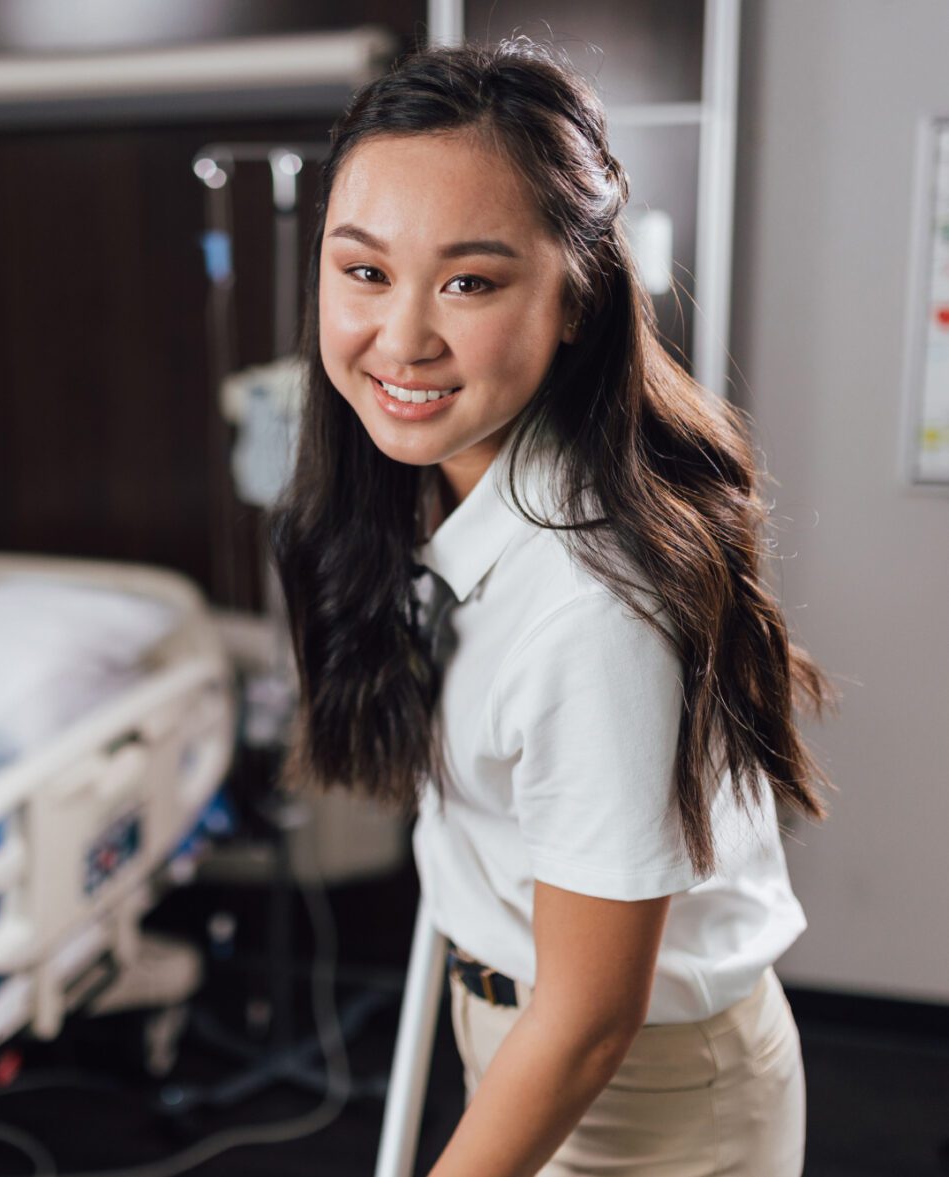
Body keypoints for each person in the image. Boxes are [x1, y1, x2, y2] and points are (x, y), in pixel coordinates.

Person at [269, 37, 836, 1177]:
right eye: (364, 271)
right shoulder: (428, 488)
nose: (404, 337)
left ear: (575, 297)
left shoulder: (592, 610)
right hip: (523, 1031)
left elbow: (586, 1021)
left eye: (470, 281)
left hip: (643, 1094)